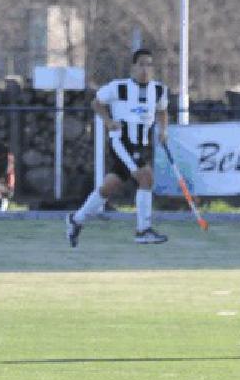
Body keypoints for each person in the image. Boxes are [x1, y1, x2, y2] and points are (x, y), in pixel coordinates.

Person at [66, 48, 170, 245]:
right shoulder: (118, 87)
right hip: (122, 142)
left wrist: (163, 131)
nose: (145, 69)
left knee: (108, 187)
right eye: (141, 64)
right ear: (133, 67)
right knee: (146, 178)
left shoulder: (158, 90)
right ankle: (143, 230)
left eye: (149, 65)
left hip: (141, 145)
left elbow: (162, 111)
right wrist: (108, 121)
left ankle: (76, 219)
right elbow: (96, 103)